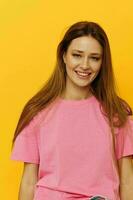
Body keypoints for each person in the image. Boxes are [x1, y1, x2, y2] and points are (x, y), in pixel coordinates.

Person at [10, 21, 133, 200]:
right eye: (77, 55)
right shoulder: (38, 111)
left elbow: (128, 180)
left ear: (102, 62)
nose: (85, 65)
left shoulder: (117, 113)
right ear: (64, 56)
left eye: (94, 58)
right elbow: (28, 181)